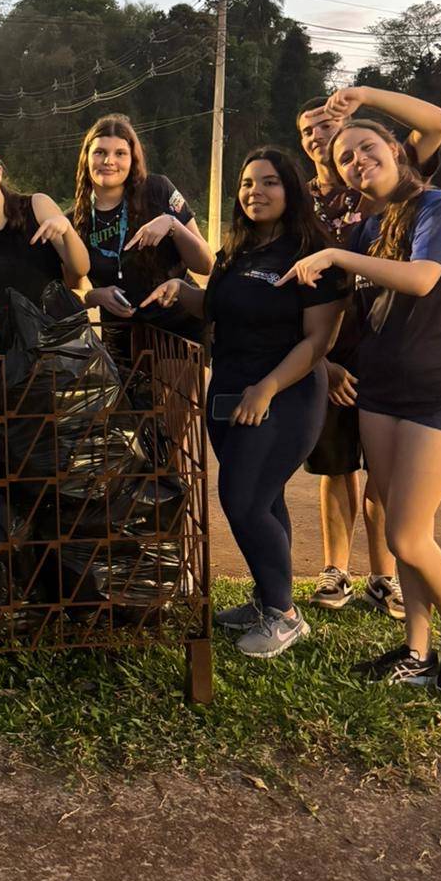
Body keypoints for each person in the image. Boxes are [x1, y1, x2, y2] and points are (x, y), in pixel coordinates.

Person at [278, 117, 441, 699]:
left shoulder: (438, 205)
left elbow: (419, 279)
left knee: (410, 536)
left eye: (368, 148)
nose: (358, 161)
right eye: (345, 158)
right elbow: (345, 313)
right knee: (398, 525)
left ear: (396, 150)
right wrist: (327, 362)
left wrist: (337, 253)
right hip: (379, 389)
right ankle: (417, 649)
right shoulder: (366, 231)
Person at [145, 147, 344, 658]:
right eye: (248, 183)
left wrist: (268, 388)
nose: (256, 191)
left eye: (270, 182)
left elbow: (317, 341)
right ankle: (265, 598)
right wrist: (179, 290)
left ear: (291, 189)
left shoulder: (312, 252)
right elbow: (217, 310)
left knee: (241, 497)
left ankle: (284, 613)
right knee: (264, 498)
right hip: (229, 387)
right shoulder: (238, 250)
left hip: (283, 392)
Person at [296, 86, 441, 618]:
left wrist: (362, 97)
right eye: (310, 129)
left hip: (396, 353)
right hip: (336, 346)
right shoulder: (301, 204)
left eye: (329, 126)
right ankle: (337, 572)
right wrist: (322, 358)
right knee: (337, 466)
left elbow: (433, 125)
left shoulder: (391, 192)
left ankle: (387, 578)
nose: (322, 135)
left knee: (389, 490)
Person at [71, 113, 213, 367]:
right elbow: (71, 288)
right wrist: (94, 295)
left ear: (132, 159)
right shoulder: (76, 220)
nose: (109, 161)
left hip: (179, 330)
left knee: (181, 406)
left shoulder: (158, 190)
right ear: (86, 157)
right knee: (133, 408)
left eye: (120, 154)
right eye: (100, 152)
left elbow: (206, 264)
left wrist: (173, 225)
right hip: (123, 341)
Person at [0, 139, 90, 326]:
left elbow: (81, 269)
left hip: (63, 339)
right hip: (10, 349)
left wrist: (66, 229)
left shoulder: (38, 206)